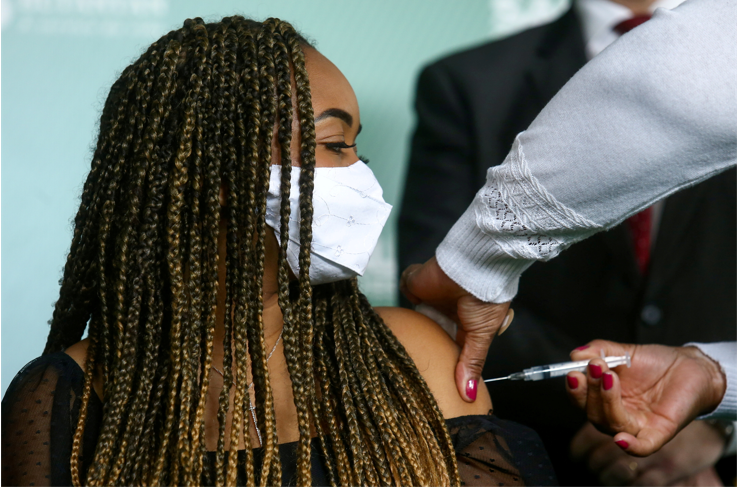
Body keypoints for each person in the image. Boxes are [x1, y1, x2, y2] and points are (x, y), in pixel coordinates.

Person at [1, 16, 556, 487]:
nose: (361, 173)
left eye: (356, 145)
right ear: (216, 175)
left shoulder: (411, 358)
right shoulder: (65, 396)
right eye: (334, 145)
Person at [398, 0, 736, 484]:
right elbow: (436, 290)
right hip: (543, 456)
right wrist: (685, 391)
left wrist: (718, 419)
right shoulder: (468, 80)